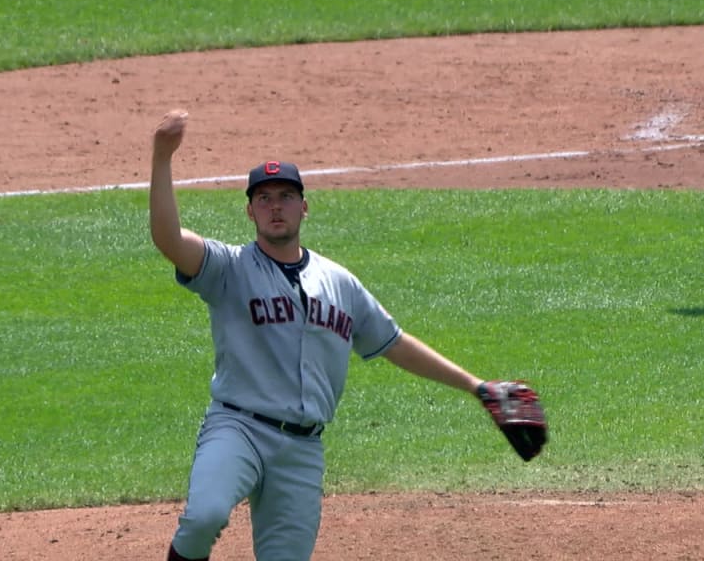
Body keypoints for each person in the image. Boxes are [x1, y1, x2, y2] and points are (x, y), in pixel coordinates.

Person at [149, 109, 535, 561]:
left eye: (287, 196)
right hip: (238, 429)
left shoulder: (339, 282)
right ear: (250, 210)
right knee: (203, 517)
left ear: (304, 206)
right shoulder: (228, 268)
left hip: (302, 448)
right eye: (265, 198)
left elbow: (395, 343)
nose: (276, 206)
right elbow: (168, 239)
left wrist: (477, 386)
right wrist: (162, 158)